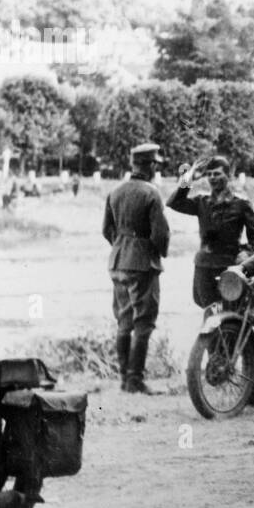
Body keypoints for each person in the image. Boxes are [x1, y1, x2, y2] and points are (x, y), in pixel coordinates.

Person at [103, 143, 170, 395]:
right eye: (155, 164)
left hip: (118, 261)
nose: (156, 169)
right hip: (143, 264)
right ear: (150, 165)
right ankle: (135, 380)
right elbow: (160, 234)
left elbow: (106, 230)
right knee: (144, 323)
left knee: (124, 320)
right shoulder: (151, 193)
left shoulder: (115, 191)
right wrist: (154, 252)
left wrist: (122, 246)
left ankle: (124, 379)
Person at [166, 156, 254, 308]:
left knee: (231, 314)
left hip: (229, 267)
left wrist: (245, 253)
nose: (212, 178)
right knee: (208, 312)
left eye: (217, 174)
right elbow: (174, 202)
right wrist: (189, 176)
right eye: (209, 174)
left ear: (228, 175)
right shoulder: (201, 202)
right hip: (204, 267)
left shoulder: (241, 204)